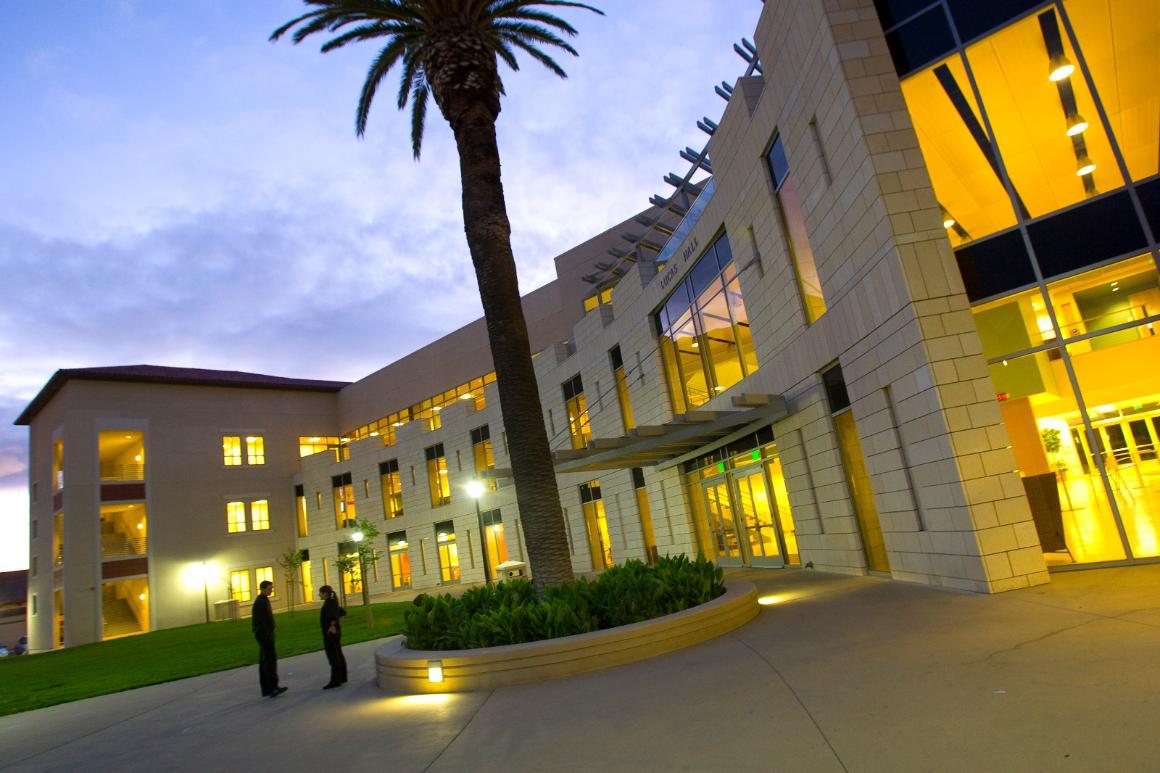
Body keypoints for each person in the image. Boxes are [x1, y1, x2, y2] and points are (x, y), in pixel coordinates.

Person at [252, 580, 287, 698]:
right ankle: (272, 687)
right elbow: (261, 622)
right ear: (263, 589)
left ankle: (266, 688)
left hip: (264, 634)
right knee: (270, 661)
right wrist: (268, 635)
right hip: (264, 635)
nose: (271, 590)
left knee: (264, 661)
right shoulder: (260, 602)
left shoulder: (263, 600)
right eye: (269, 588)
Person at [318, 585, 347, 689]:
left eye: (320, 593)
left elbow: (333, 617)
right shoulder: (333, 602)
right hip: (336, 633)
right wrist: (339, 625)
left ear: (325, 593)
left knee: (333, 657)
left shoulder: (329, 603)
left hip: (331, 635)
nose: (319, 595)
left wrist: (333, 626)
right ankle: (342, 677)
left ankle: (336, 680)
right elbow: (342, 613)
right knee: (338, 654)